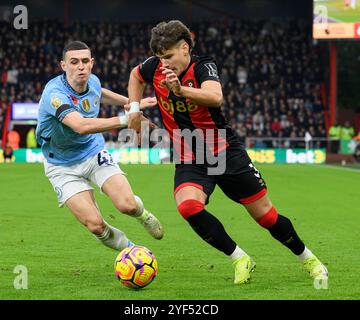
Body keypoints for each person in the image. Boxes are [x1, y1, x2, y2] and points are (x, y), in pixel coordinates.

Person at [128, 20, 328, 284]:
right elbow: (135, 76)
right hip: (190, 155)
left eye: (168, 56)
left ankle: (308, 258)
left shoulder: (203, 66)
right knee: (188, 207)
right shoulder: (154, 67)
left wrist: (180, 90)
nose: (163, 63)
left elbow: (215, 97)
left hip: (223, 150)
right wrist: (134, 111)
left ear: (185, 48)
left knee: (266, 216)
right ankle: (239, 258)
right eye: (159, 57)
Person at [36, 41, 164, 254]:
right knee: (96, 225)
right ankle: (134, 253)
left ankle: (144, 216)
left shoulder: (92, 81)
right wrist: (127, 119)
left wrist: (132, 104)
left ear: (92, 63)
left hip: (92, 152)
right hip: (61, 166)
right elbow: (81, 126)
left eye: (85, 61)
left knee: (128, 205)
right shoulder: (54, 94)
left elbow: (100, 92)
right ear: (63, 65)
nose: (81, 66)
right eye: (74, 62)